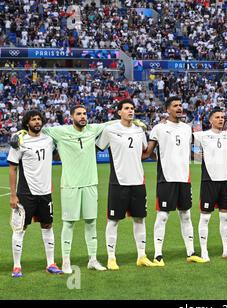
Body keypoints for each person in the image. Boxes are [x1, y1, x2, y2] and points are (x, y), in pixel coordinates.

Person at [42, 105, 113, 273]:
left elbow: (111, 124)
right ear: (71, 116)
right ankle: (66, 261)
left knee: (91, 222)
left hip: (90, 183)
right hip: (70, 185)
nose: (83, 116)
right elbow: (38, 130)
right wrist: (21, 133)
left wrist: (135, 122)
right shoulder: (61, 131)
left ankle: (93, 259)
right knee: (69, 223)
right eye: (79, 114)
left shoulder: (92, 129)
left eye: (85, 114)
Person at [146, 96, 207, 266]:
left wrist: (196, 156)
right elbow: (149, 152)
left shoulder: (187, 129)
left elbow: (185, 151)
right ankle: (158, 255)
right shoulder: (159, 128)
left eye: (180, 105)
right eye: (175, 106)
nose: (179, 108)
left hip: (184, 178)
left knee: (186, 215)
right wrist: (157, 155)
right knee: (163, 216)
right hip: (166, 178)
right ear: (167, 109)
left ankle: (191, 252)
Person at [96, 99, 156, 270]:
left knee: (140, 219)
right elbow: (98, 146)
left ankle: (142, 256)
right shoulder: (110, 130)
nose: (130, 111)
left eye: (132, 108)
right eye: (126, 108)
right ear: (119, 112)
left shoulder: (140, 131)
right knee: (113, 220)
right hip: (118, 182)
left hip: (138, 182)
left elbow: (145, 152)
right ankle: (111, 258)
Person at [8, 110, 63, 277]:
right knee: (20, 228)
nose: (37, 122)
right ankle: (17, 266)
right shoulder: (20, 141)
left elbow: (56, 154)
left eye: (39, 119)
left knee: (47, 226)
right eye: (33, 119)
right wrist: (12, 194)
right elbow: (12, 169)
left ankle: (51, 263)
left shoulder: (48, 139)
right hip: (26, 193)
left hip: (45, 192)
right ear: (27, 123)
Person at [193, 108, 227, 261]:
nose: (221, 119)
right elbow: (180, 140)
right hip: (208, 181)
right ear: (210, 120)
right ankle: (204, 252)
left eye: (222, 117)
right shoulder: (201, 135)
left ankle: (226, 250)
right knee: (205, 218)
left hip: (224, 181)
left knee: (225, 217)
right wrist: (194, 155)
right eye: (217, 117)